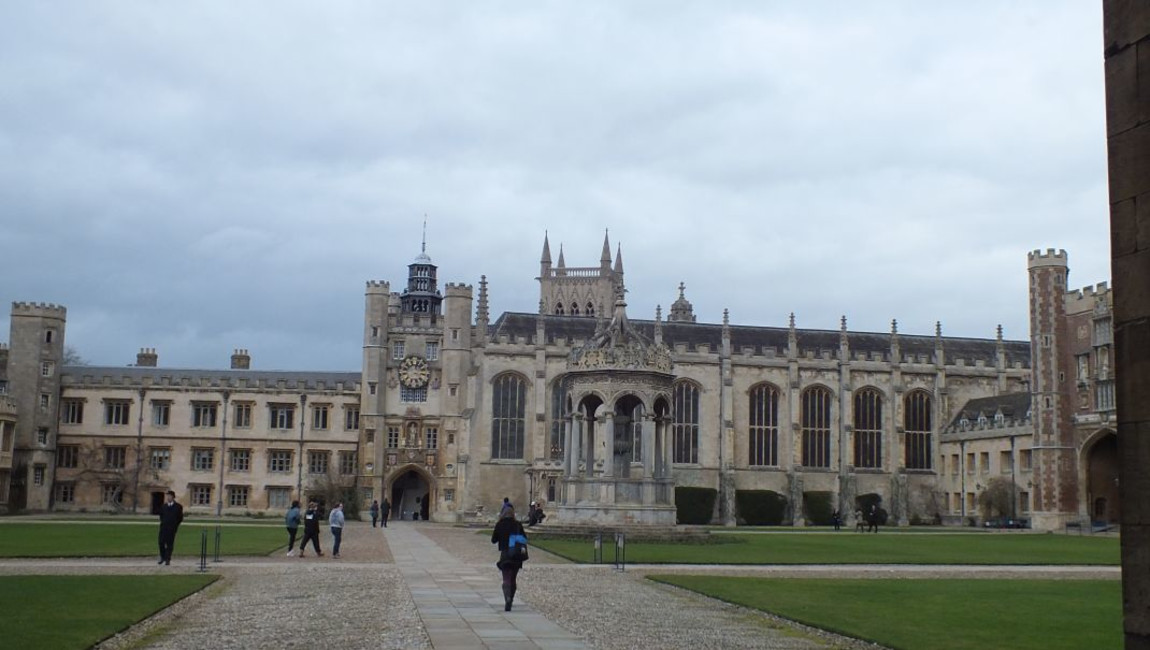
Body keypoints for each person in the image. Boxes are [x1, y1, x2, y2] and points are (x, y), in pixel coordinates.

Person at [492, 506, 526, 612]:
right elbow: (524, 539)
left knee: (506, 578)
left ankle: (507, 598)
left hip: (505, 554)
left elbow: (494, 540)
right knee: (513, 579)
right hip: (516, 555)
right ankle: (511, 598)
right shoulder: (517, 525)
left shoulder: (500, 524)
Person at [157, 489, 183, 566]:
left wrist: (175, 526)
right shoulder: (164, 506)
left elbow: (180, 518)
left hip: (172, 528)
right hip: (163, 528)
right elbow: (161, 516)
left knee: (169, 544)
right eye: (167, 496)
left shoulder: (178, 507)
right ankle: (163, 557)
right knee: (161, 542)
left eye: (169, 496)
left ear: (173, 497)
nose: (168, 497)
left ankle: (168, 559)